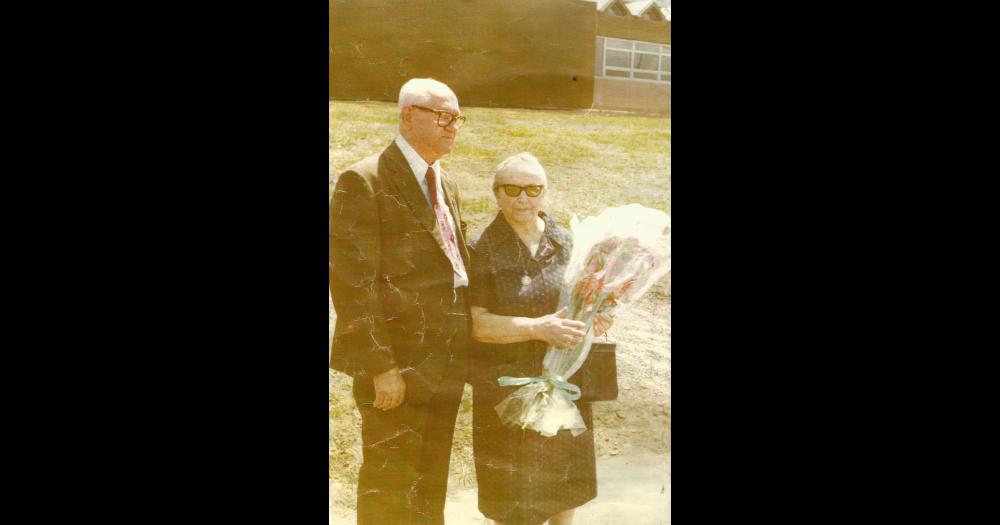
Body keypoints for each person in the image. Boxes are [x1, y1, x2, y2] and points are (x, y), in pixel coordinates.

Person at [329, 78, 471, 524]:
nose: (453, 127)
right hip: (397, 368)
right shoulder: (364, 180)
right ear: (409, 114)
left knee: (430, 482)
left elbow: (457, 268)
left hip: (443, 363)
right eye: (443, 116)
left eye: (458, 119)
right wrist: (382, 367)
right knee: (390, 487)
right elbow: (353, 287)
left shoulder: (444, 183)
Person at [468, 152, 613, 525]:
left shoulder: (566, 242)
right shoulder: (482, 249)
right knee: (516, 500)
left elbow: (584, 300)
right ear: (496, 193)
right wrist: (537, 328)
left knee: (564, 485)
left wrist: (597, 316)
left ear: (544, 192)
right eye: (512, 189)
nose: (523, 199)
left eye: (533, 189)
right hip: (509, 389)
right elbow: (478, 325)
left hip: (563, 381)